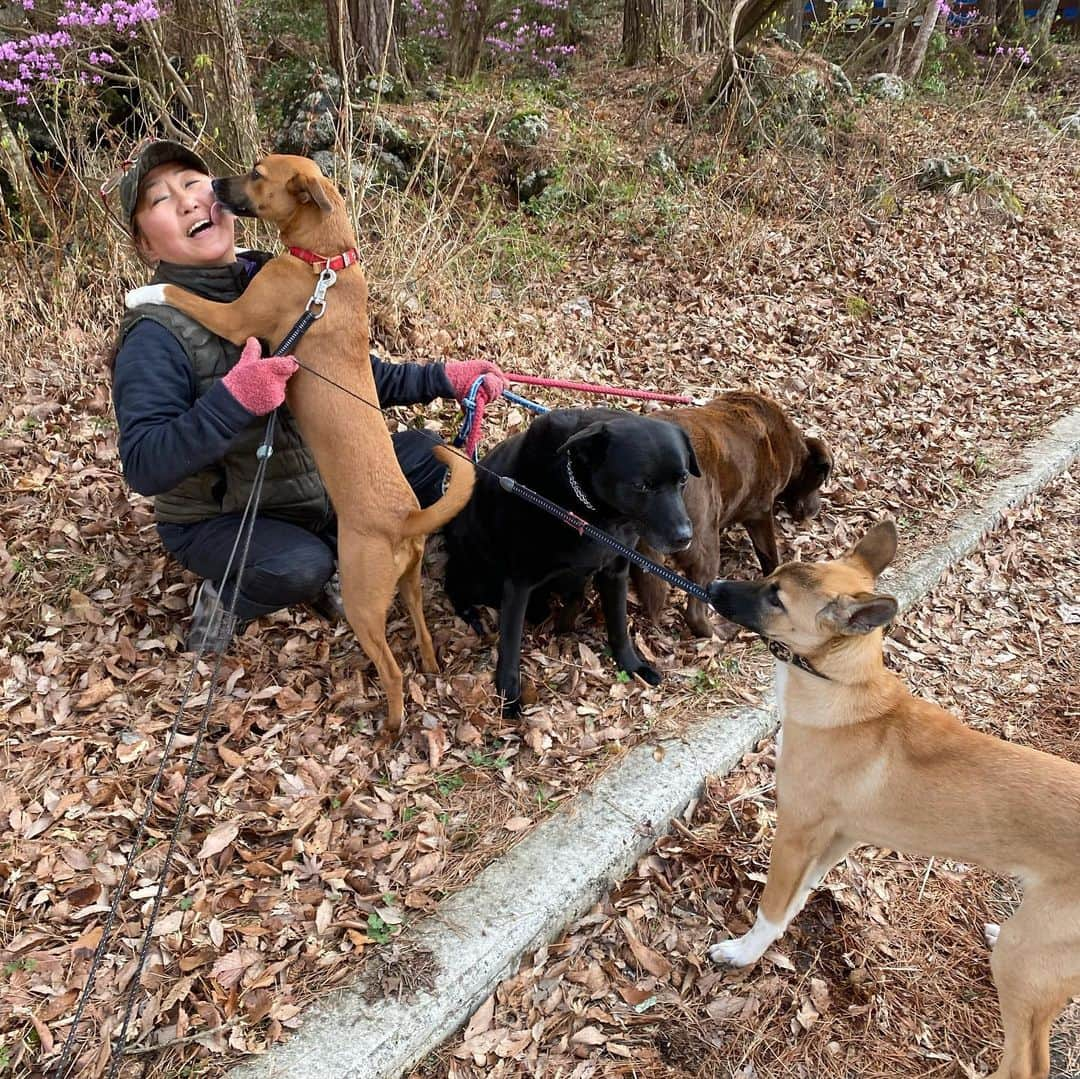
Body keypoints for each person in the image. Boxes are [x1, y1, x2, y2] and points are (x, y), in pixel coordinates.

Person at [108, 140, 505, 653]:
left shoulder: (280, 272)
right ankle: (231, 594)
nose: (186, 200)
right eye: (160, 199)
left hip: (313, 479)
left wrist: (443, 377)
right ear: (145, 245)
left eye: (191, 183)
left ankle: (370, 556)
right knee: (301, 566)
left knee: (430, 458)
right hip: (225, 515)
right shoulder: (154, 335)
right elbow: (143, 466)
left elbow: (350, 376)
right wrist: (234, 399)